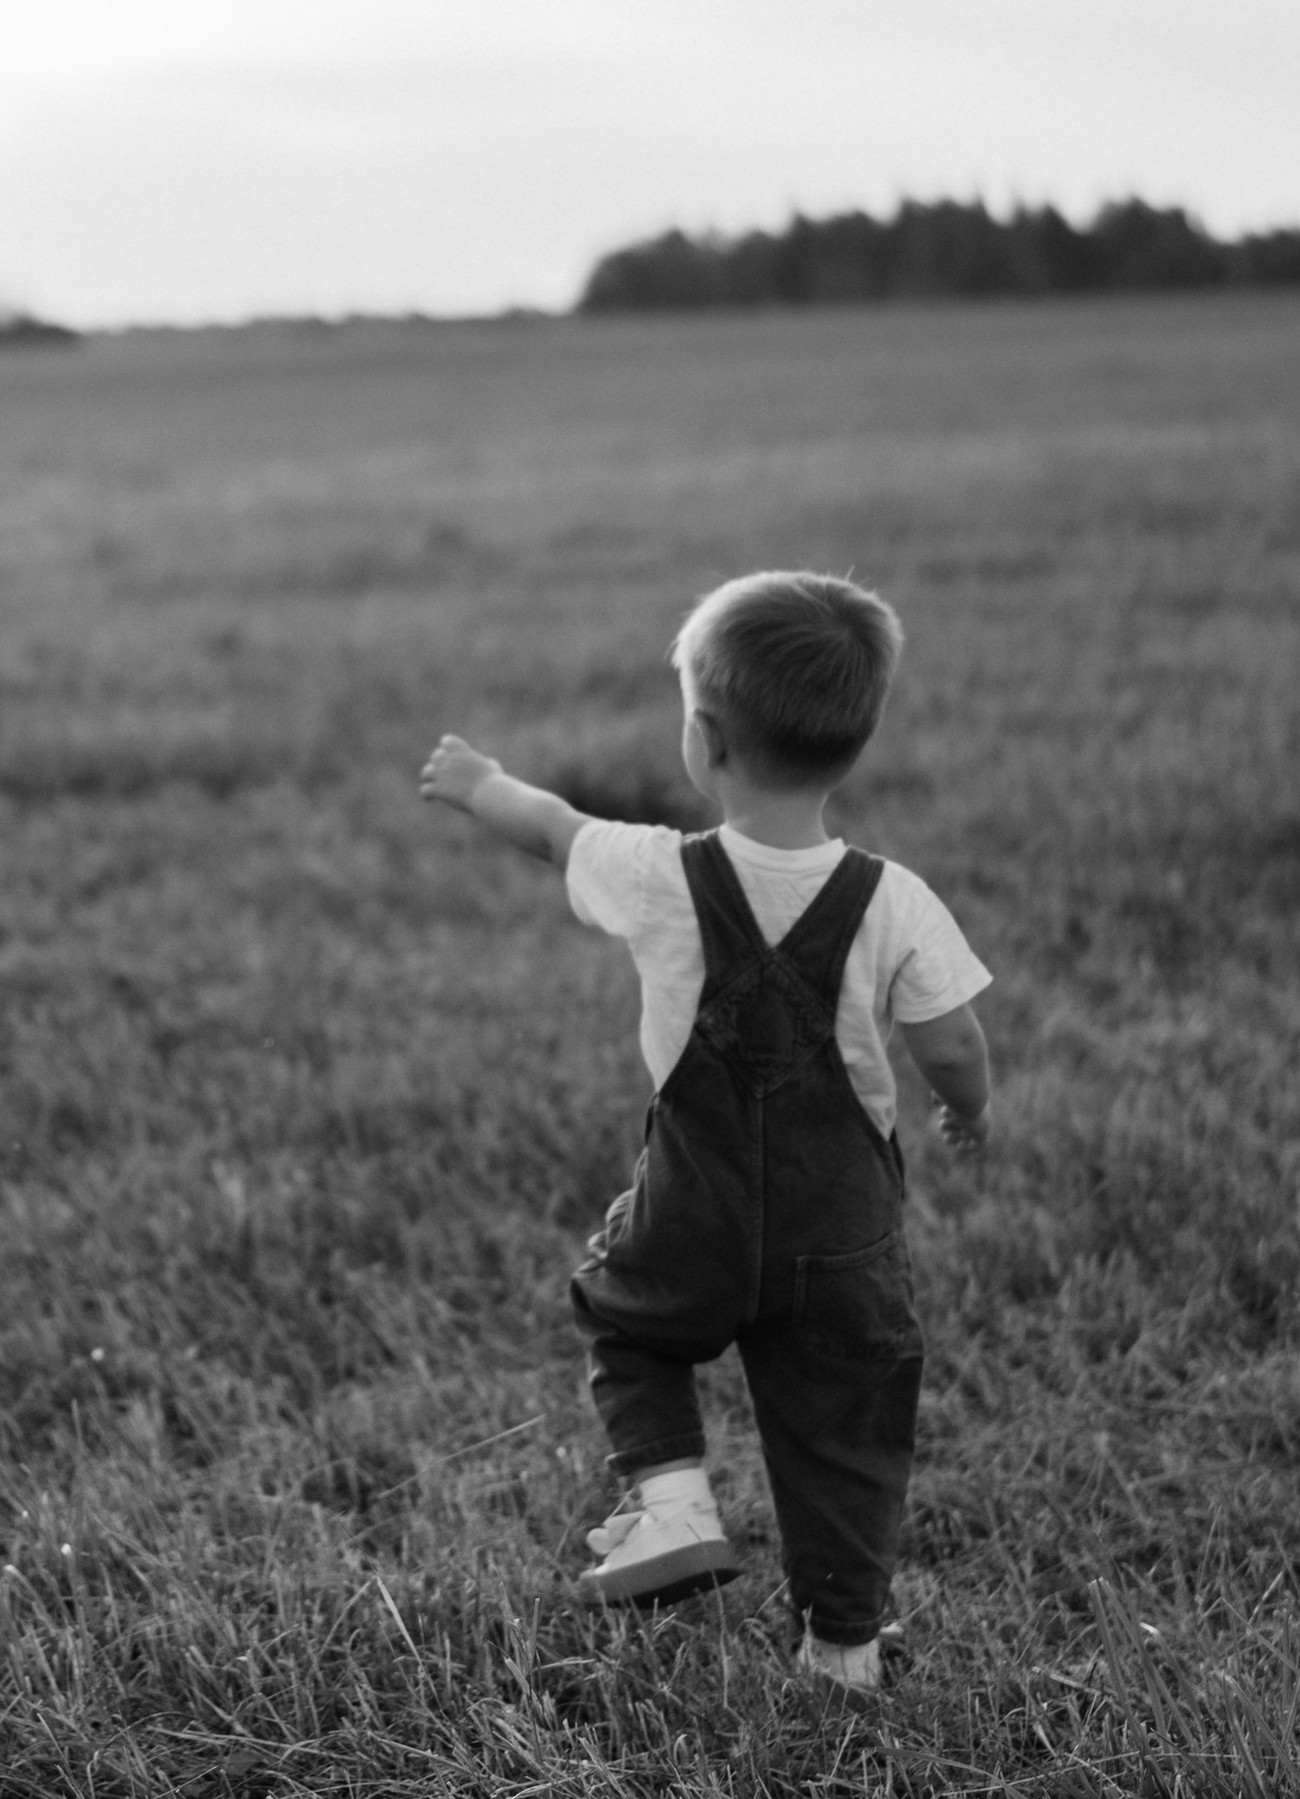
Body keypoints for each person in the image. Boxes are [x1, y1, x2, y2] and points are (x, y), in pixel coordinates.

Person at [419, 567, 991, 1698]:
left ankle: (671, 1499)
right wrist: (965, 1111)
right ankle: (841, 1650)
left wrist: (478, 782)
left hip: (695, 1203)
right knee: (843, 1430)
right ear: (855, 740)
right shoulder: (893, 899)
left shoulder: (657, 873)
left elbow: (551, 828)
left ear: (701, 739)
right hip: (842, 1232)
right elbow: (954, 1040)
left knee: (626, 1321)